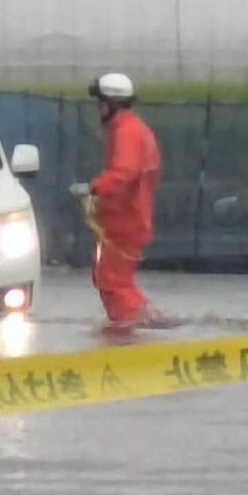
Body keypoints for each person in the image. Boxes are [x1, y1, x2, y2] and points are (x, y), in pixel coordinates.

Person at [71, 73, 163, 327]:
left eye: (100, 102)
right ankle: (144, 318)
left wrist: (94, 188)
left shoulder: (126, 132)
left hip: (124, 221)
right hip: (130, 218)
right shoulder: (135, 130)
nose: (97, 108)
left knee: (112, 282)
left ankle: (129, 331)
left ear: (109, 104)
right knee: (114, 280)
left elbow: (124, 172)